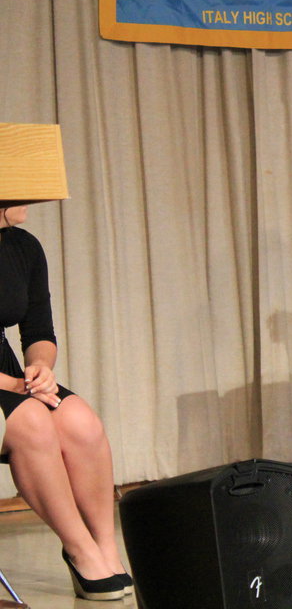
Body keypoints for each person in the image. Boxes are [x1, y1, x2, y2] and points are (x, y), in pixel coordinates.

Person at [0, 204, 131, 601]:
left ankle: (105, 547)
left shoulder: (23, 246)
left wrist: (39, 367)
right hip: (3, 382)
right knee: (33, 423)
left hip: (9, 373)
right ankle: (80, 549)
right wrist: (12, 385)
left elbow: (39, 328)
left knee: (80, 421)